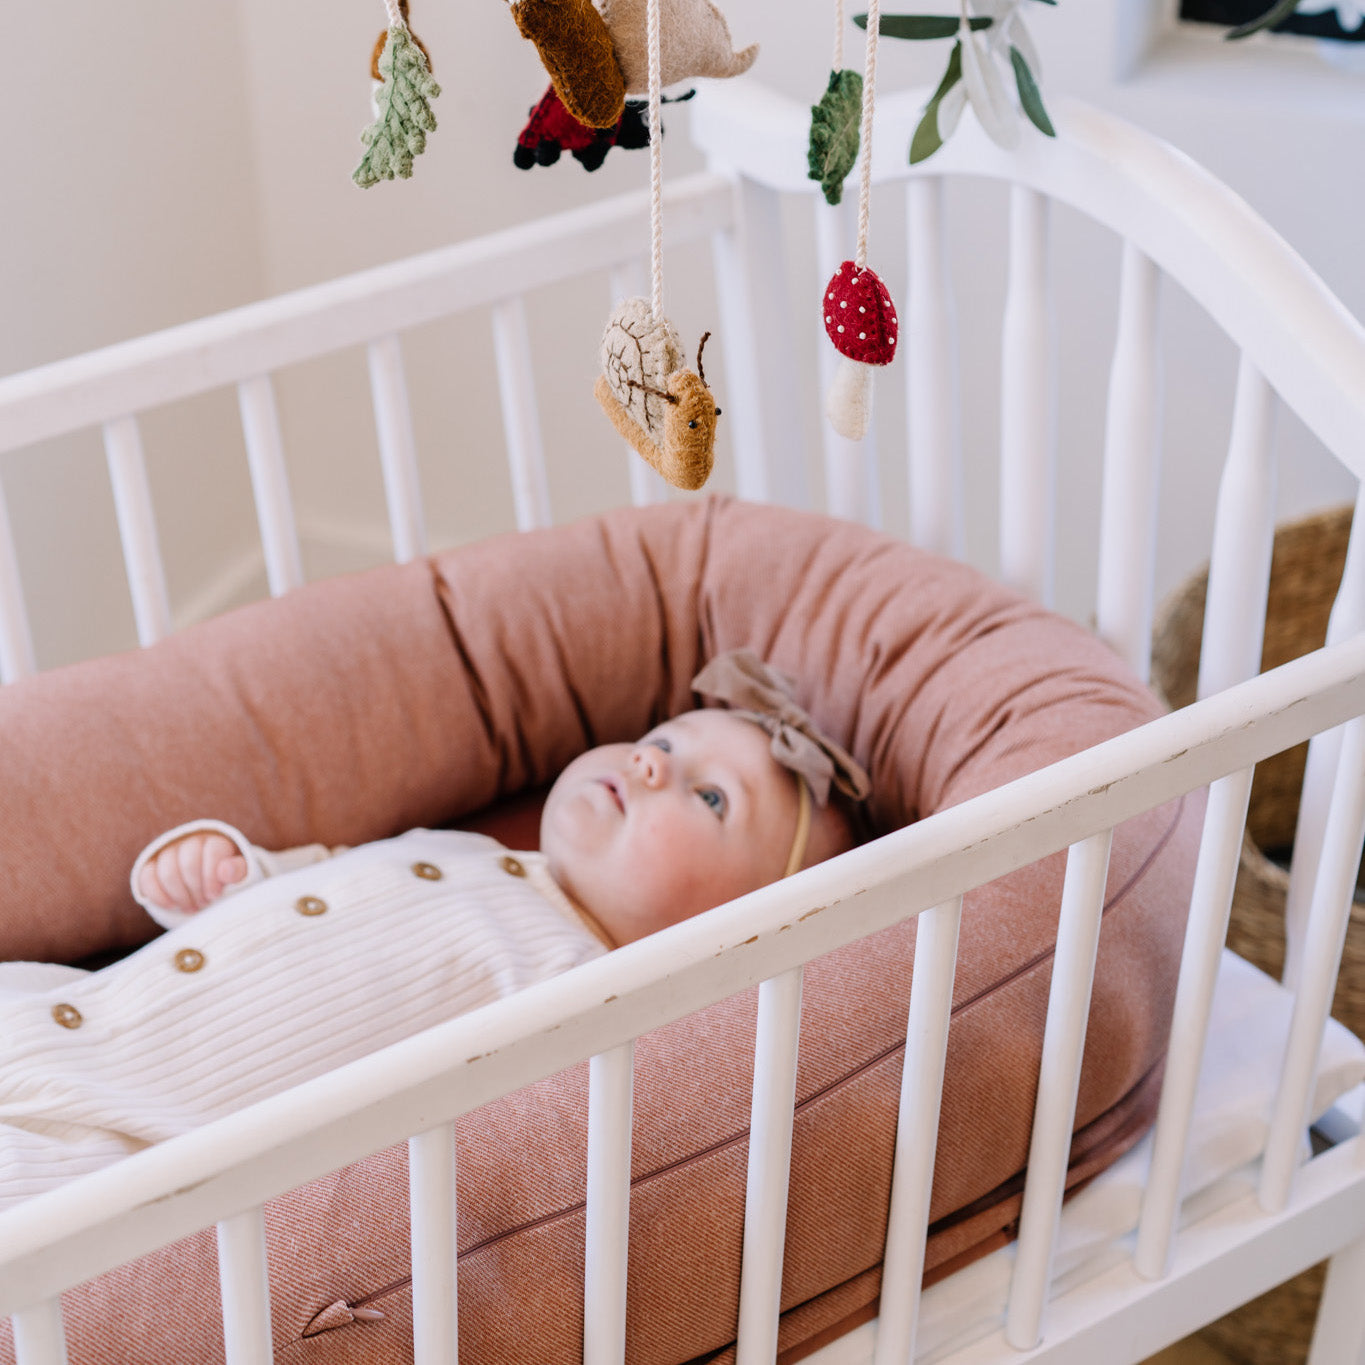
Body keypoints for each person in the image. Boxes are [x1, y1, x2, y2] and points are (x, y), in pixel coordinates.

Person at [0, 650, 869, 1210]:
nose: (651, 763)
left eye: (710, 798)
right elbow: (329, 879)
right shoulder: (462, 846)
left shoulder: (586, 992)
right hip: (70, 1007)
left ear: (736, 929)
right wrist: (232, 873)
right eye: (665, 741)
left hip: (128, 1140)